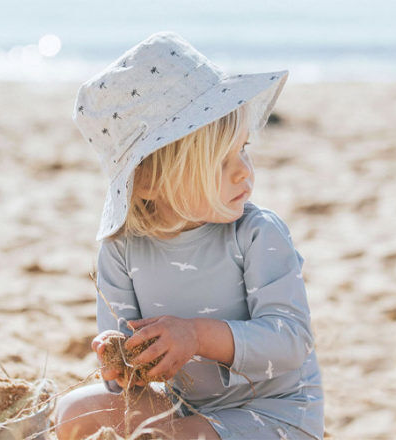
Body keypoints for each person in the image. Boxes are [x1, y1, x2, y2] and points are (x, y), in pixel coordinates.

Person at [55, 31, 324, 440]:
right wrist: (121, 362)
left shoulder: (256, 234)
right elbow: (126, 383)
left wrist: (197, 335)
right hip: (190, 408)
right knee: (74, 411)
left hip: (274, 414)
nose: (244, 171)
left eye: (243, 149)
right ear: (146, 180)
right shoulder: (122, 249)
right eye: (221, 161)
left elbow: (292, 341)